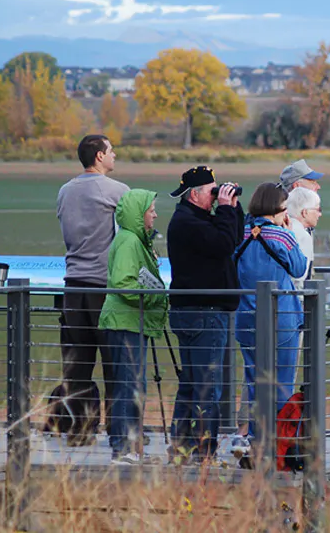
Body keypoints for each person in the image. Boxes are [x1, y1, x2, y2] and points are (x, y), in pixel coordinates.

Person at [51, 134, 127, 444]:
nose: (114, 155)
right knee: (115, 362)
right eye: (110, 151)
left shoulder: (65, 191)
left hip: (72, 286)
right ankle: (118, 431)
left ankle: (80, 430)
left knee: (77, 364)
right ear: (98, 156)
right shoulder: (117, 191)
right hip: (104, 288)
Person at [163, 166, 242, 463]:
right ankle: (203, 453)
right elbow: (223, 244)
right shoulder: (187, 223)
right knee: (208, 387)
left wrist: (231, 207)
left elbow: (232, 240)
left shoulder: (193, 219)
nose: (215, 197)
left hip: (198, 311)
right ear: (194, 195)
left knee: (193, 384)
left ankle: (182, 448)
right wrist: (223, 209)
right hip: (202, 313)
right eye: (212, 191)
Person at [231, 183, 310, 458]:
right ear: (277, 209)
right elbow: (300, 267)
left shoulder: (239, 234)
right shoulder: (282, 236)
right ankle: (280, 443)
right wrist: (289, 231)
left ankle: (255, 439)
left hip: (247, 318)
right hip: (282, 320)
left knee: (254, 381)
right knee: (282, 383)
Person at [99, 188, 170, 465]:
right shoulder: (129, 241)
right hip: (125, 323)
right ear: (138, 215)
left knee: (131, 386)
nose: (155, 214)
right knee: (129, 387)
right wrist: (156, 296)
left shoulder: (134, 240)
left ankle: (132, 449)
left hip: (129, 323)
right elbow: (125, 284)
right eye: (151, 210)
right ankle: (124, 450)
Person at [280, 186, 324, 267]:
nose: (320, 214)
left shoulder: (279, 229)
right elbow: (299, 276)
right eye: (318, 209)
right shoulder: (303, 236)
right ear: (305, 212)